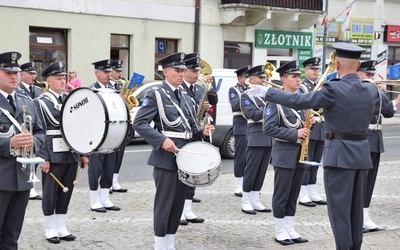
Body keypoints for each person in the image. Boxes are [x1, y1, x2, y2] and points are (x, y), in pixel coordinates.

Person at [258, 42, 390, 249]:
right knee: (356, 210)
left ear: (337, 64)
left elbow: (299, 101)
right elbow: (387, 108)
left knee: (340, 211)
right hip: (362, 155)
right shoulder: (371, 90)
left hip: (339, 155)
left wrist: (267, 92)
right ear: (358, 66)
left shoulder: (333, 89)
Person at [133, 52, 214, 250]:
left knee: (178, 204)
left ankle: (170, 243)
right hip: (166, 158)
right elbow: (139, 123)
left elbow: (190, 128)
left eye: (182, 70)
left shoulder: (185, 96)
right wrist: (161, 140)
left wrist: (202, 131)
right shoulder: (156, 94)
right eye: (177, 70)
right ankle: (159, 245)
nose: (181, 74)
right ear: (166, 72)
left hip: (185, 157)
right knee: (164, 204)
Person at [34, 61, 89, 244]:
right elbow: (38, 131)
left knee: (67, 190)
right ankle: (50, 228)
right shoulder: (40, 102)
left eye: (64, 78)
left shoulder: (69, 100)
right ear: (48, 80)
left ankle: (61, 226)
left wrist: (83, 153)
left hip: (71, 152)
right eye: (58, 78)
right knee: (50, 192)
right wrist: (42, 157)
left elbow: (79, 128)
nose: (62, 81)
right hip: (52, 153)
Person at [259, 61, 310, 245]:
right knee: (282, 194)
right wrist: (294, 133)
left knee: (294, 193)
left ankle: (290, 228)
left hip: (300, 153)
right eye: (294, 76)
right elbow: (268, 128)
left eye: (299, 76)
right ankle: (280, 230)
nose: (298, 79)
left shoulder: (301, 99)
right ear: (283, 79)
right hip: (284, 153)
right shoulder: (275, 101)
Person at [0, 51, 46, 249]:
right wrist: (9, 144)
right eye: (7, 72)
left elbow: (42, 133)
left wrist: (32, 142)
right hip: (1, 178)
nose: (13, 76)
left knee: (12, 234)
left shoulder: (27, 101)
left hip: (23, 178)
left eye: (16, 72)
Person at [356, 60, 400, 233]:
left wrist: (383, 94)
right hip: (364, 138)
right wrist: (394, 101)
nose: (371, 78)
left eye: (372, 75)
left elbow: (387, 112)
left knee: (370, 182)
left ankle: (365, 217)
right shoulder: (361, 90)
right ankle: (358, 219)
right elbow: (388, 109)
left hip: (375, 139)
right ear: (358, 74)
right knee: (361, 181)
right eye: (368, 75)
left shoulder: (374, 91)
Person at [179, 53, 218, 225]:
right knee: (181, 175)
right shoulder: (179, 88)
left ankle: (188, 210)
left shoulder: (200, 88)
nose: (197, 74)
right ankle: (178, 210)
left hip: (197, 135)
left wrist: (207, 110)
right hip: (183, 137)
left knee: (193, 174)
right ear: (184, 71)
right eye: (193, 71)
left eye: (197, 71)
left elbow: (212, 102)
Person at [88, 59, 121, 213]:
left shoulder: (114, 89)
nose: (109, 75)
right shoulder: (90, 91)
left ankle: (105, 198)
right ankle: (94, 200)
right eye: (105, 72)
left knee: (109, 167)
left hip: (112, 134)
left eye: (109, 72)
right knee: (96, 168)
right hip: (96, 135)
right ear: (97, 73)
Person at [240, 65, 272, 215]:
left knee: (262, 170)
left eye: (264, 78)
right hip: (256, 134)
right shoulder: (247, 95)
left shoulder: (268, 94)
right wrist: (271, 109)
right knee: (252, 169)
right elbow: (252, 114)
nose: (263, 80)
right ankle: (245, 200)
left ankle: (255, 198)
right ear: (251, 79)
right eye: (260, 78)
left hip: (269, 135)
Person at [298, 57, 327, 207]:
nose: (316, 71)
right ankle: (302, 192)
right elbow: (302, 105)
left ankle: (312, 190)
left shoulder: (321, 86)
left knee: (315, 162)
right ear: (306, 70)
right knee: (307, 162)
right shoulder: (303, 87)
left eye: (317, 69)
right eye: (313, 69)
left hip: (321, 128)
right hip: (310, 126)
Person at [17, 61, 43, 200]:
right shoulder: (17, 89)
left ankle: (32, 185)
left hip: (35, 125)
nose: (34, 76)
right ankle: (27, 186)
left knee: (35, 158)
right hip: (24, 127)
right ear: (22, 74)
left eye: (35, 73)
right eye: (31, 73)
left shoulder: (38, 90)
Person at [229, 65, 250, 197]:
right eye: (247, 77)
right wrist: (249, 95)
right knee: (241, 157)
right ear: (240, 77)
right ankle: (238, 185)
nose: (248, 79)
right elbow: (236, 105)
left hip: (253, 127)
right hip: (241, 126)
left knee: (251, 158)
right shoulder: (234, 89)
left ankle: (248, 185)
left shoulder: (252, 89)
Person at [109, 59, 128, 193]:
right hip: (110, 124)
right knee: (109, 155)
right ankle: (106, 182)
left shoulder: (121, 86)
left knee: (119, 154)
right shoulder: (106, 87)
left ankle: (115, 180)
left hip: (122, 123)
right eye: (117, 71)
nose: (120, 74)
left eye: (121, 71)